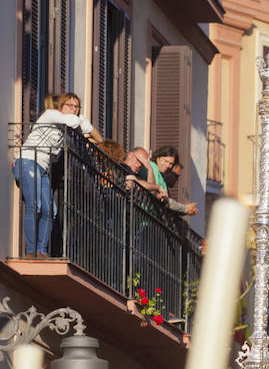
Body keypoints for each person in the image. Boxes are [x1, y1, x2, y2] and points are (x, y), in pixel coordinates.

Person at [12, 92, 103, 256]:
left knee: (51, 211)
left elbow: (98, 138)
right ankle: (31, 251)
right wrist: (82, 121)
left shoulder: (67, 123)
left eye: (77, 106)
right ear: (61, 106)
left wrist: (84, 125)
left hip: (42, 168)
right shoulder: (51, 114)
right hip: (28, 161)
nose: (74, 109)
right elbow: (75, 122)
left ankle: (41, 251)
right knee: (35, 206)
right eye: (70, 105)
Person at [124, 147, 198, 216]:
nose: (168, 165)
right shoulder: (153, 167)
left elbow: (165, 201)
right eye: (166, 161)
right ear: (158, 158)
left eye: (171, 163)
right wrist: (185, 208)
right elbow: (152, 191)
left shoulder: (161, 175)